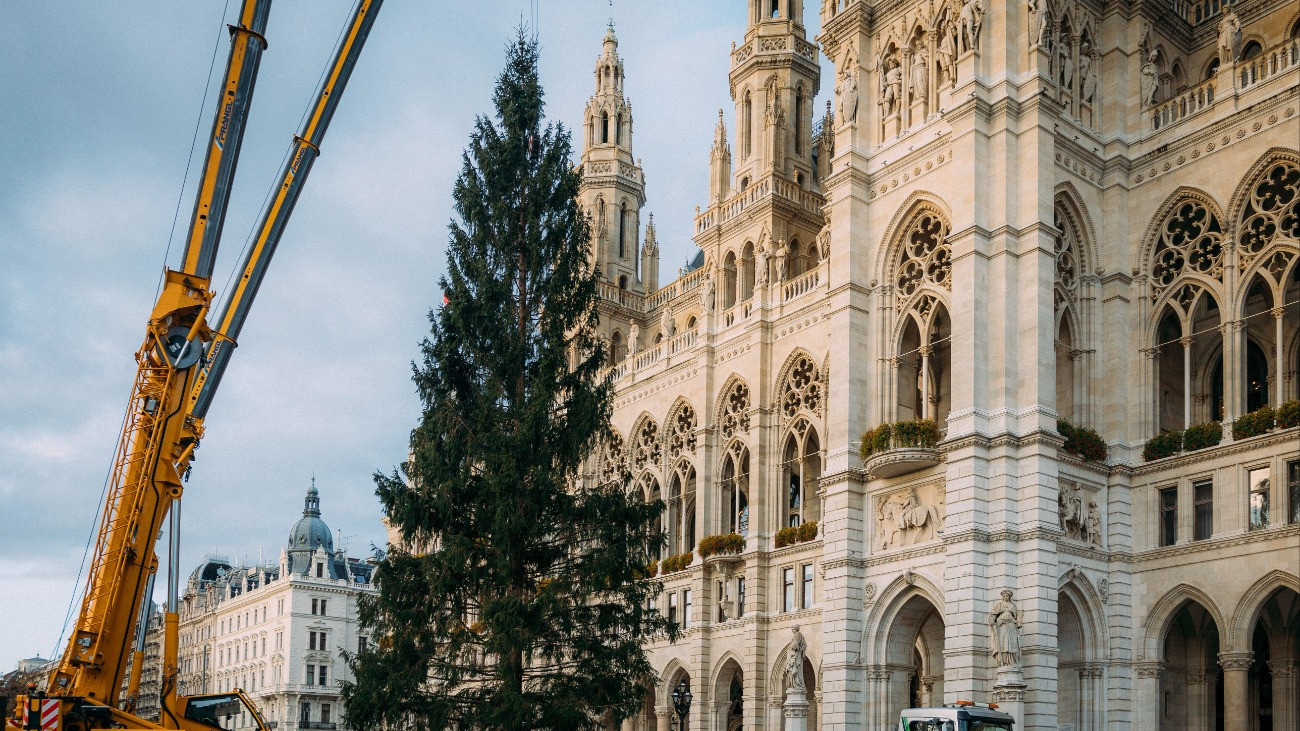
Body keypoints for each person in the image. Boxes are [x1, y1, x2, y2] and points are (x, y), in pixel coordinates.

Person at [988, 589, 1024, 667]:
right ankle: (1004, 662)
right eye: (1004, 596)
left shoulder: (1013, 605)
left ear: (1010, 597)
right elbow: (993, 615)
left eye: (1007, 596)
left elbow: (1017, 617)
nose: (1006, 597)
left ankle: (1013, 661)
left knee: (1013, 643)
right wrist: (992, 621)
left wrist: (1018, 622)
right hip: (1002, 626)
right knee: (1003, 644)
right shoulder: (999, 605)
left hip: (1011, 626)